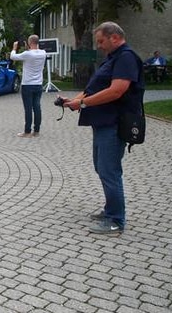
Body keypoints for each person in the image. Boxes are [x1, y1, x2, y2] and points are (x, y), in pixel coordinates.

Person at [59, 22, 144, 235]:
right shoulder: (112, 59)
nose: (99, 46)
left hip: (114, 123)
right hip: (102, 123)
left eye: (101, 41)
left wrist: (83, 104)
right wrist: (74, 101)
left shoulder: (126, 58)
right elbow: (92, 89)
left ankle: (116, 220)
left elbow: (116, 91)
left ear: (114, 37)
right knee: (101, 167)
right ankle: (110, 210)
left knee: (109, 170)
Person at [10, 35, 47, 137]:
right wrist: (29, 47)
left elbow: (13, 56)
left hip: (27, 84)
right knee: (37, 107)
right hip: (38, 84)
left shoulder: (27, 54)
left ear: (29, 43)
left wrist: (14, 48)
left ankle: (27, 131)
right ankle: (36, 131)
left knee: (28, 109)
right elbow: (35, 51)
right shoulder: (43, 53)